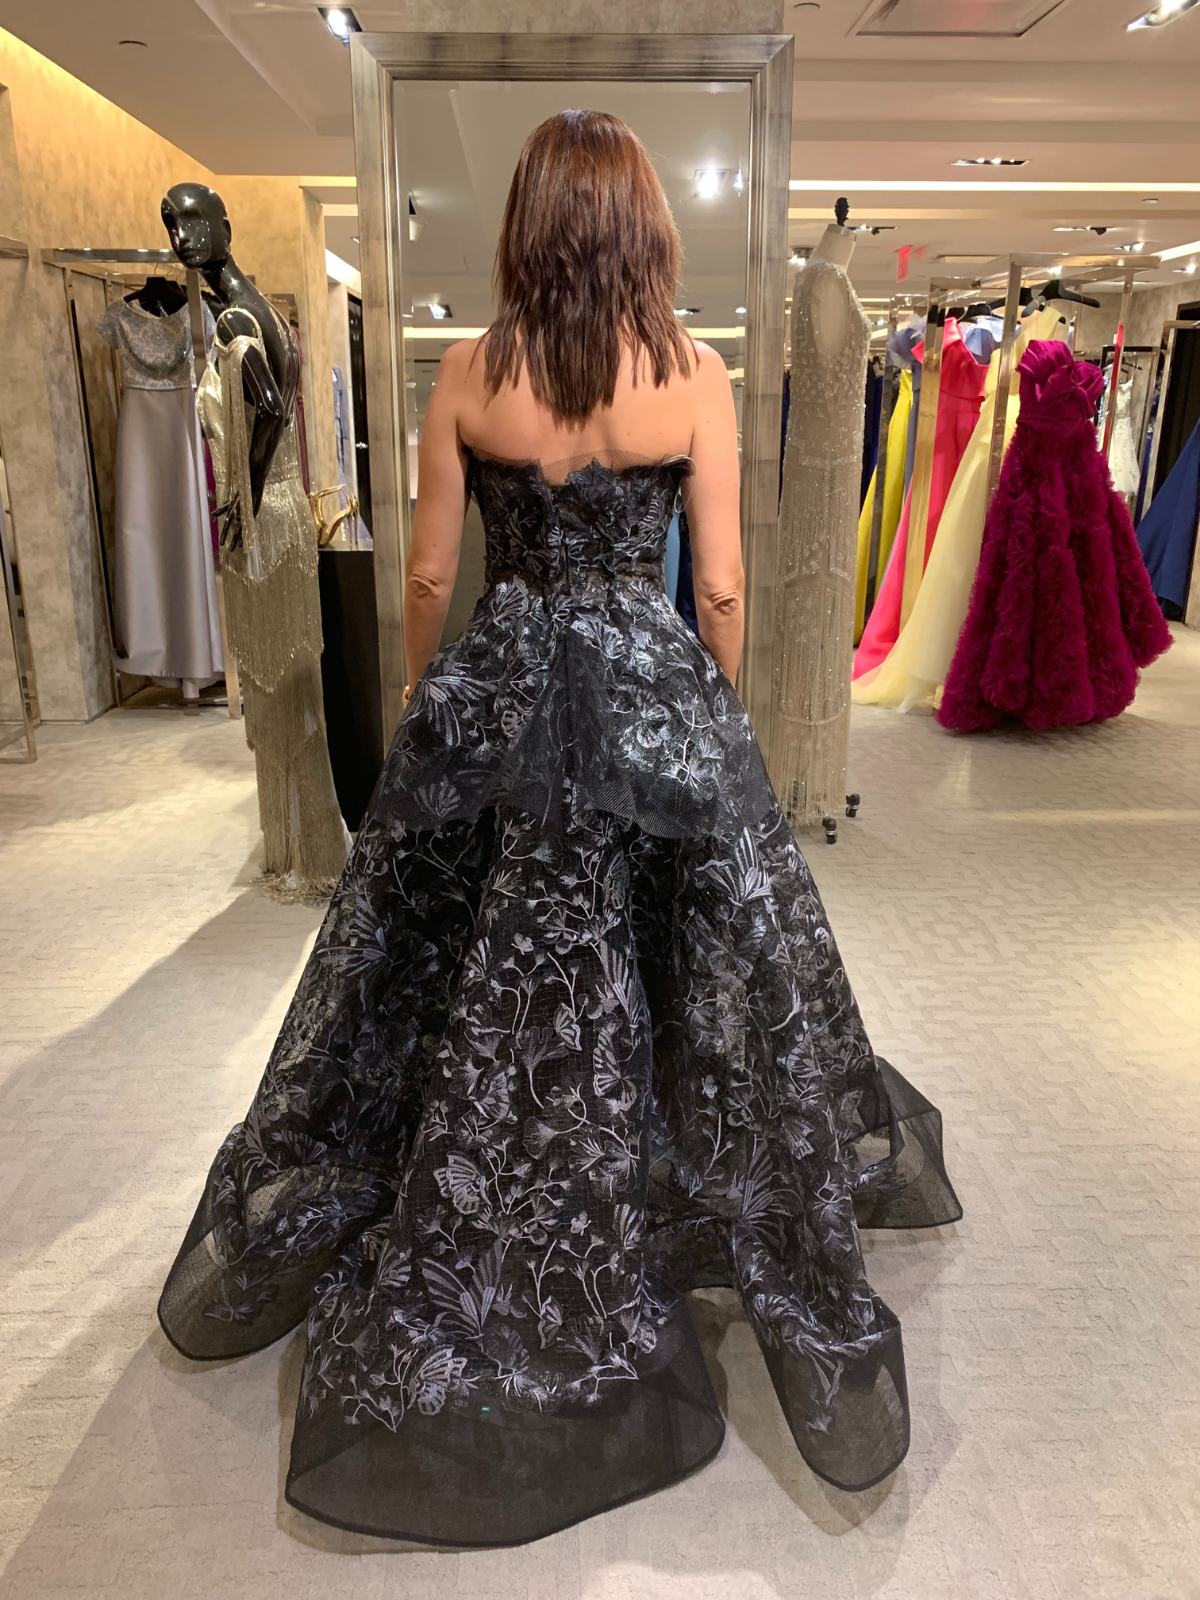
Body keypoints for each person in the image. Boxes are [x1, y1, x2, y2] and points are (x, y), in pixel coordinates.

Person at [158, 109, 960, 1548]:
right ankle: (667, 1159)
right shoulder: (692, 373)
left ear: (527, 224)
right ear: (643, 228)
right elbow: (720, 587)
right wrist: (706, 716)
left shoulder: (473, 370)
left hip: (510, 672)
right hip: (646, 673)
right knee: (685, 940)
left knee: (470, 937)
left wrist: (431, 696)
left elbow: (428, 573)